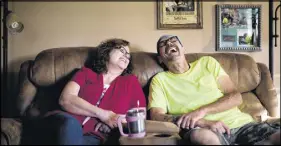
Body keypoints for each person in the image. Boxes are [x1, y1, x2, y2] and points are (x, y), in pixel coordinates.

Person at [148, 34, 280, 145]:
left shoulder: (207, 63)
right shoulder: (159, 80)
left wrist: (201, 111)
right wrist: (202, 122)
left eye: (173, 40)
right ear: (160, 58)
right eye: (163, 44)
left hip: (242, 125)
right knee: (201, 137)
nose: (169, 43)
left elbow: (236, 97)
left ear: (183, 49)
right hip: (203, 130)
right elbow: (156, 116)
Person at [42, 38, 146, 145]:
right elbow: (66, 99)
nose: (126, 56)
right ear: (107, 52)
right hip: (65, 123)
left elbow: (139, 117)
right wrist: (103, 115)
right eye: (122, 51)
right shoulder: (85, 73)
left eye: (128, 55)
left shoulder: (131, 82)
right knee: (70, 124)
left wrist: (117, 123)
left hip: (96, 136)